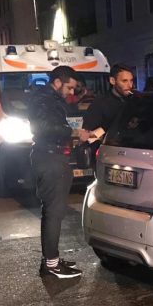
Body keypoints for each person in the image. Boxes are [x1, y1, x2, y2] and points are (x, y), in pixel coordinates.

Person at [28, 66, 92, 278]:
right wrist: (74, 132)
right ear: (57, 82)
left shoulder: (48, 98)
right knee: (53, 213)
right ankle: (51, 265)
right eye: (69, 88)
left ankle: (51, 260)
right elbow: (46, 126)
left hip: (52, 156)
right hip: (50, 158)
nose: (71, 93)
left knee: (54, 211)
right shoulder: (44, 99)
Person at [83, 63, 134, 144]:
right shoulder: (100, 103)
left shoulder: (134, 100)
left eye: (131, 80)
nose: (129, 85)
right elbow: (89, 135)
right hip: (108, 149)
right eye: (124, 81)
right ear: (112, 81)